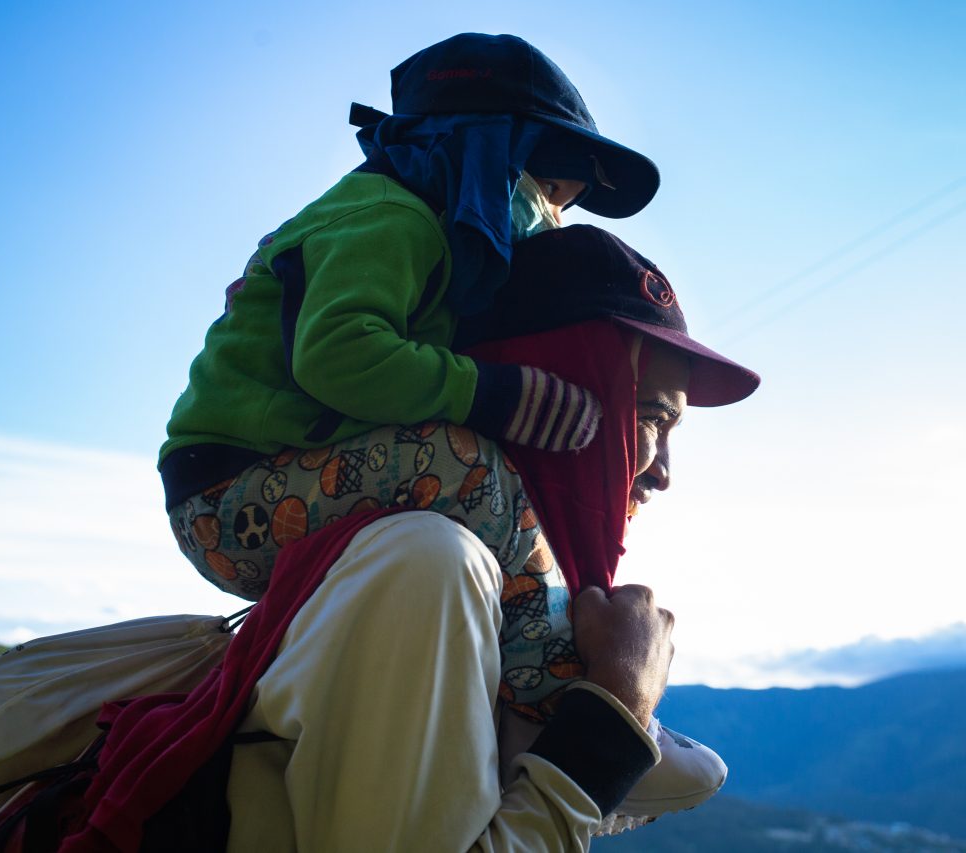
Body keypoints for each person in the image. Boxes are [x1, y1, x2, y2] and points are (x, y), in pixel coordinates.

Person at [216, 226, 760, 850]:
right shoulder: (430, 563)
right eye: (649, 419)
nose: (663, 472)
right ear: (566, 387)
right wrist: (617, 710)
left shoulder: (471, 583)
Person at [158, 32, 661, 601]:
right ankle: (546, 654)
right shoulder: (390, 217)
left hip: (287, 473)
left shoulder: (432, 242)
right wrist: (501, 395)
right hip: (228, 493)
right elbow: (338, 354)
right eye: (546, 190)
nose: (550, 221)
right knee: (462, 463)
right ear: (483, 151)